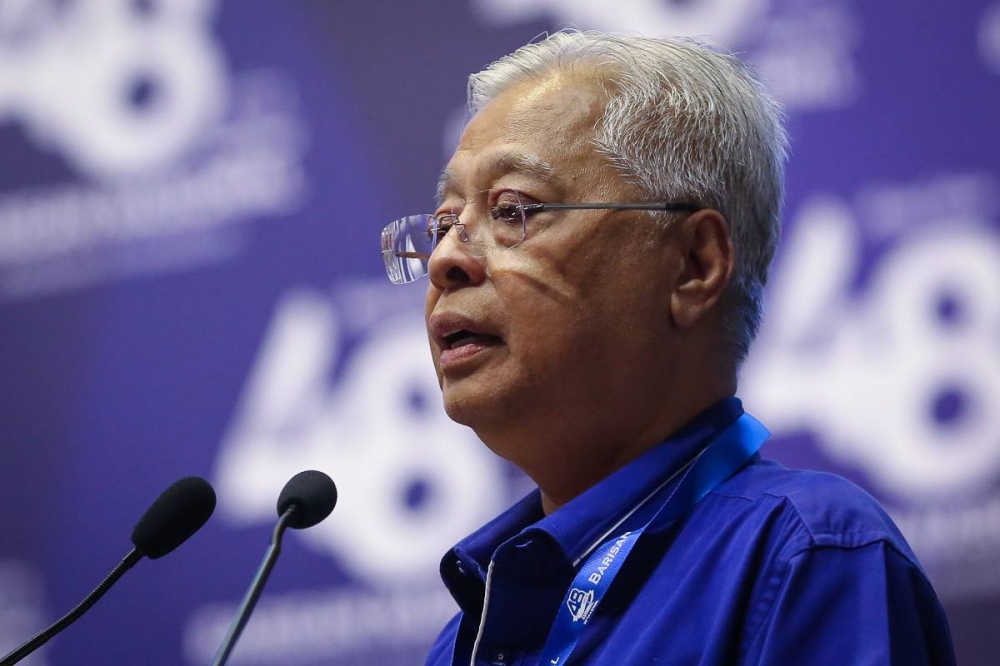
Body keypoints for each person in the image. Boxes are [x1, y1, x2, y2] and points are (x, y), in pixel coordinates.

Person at [380, 31, 955, 666]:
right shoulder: (465, 637)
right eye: (442, 225)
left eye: (513, 210)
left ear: (692, 265)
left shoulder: (806, 556)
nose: (447, 260)